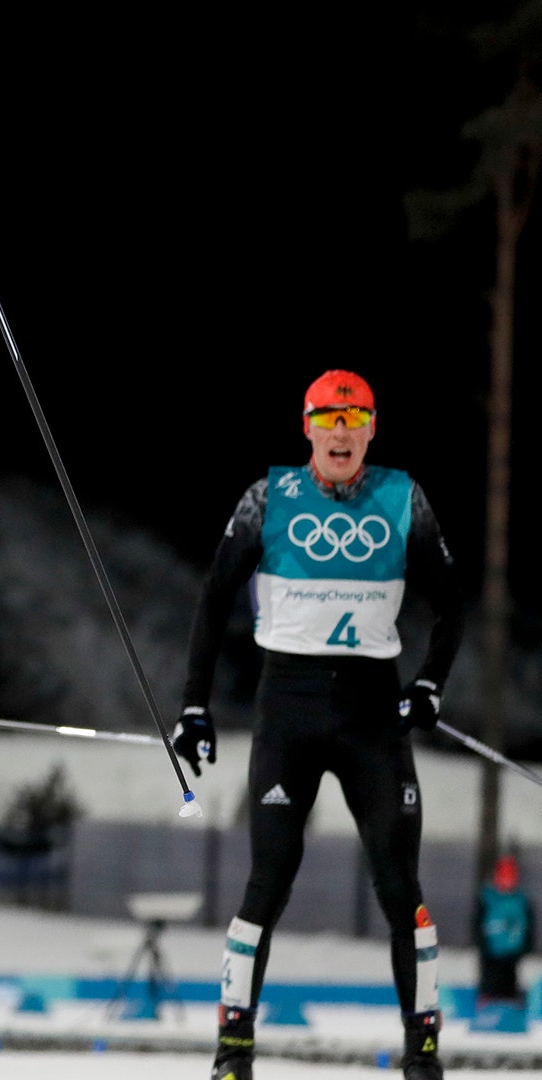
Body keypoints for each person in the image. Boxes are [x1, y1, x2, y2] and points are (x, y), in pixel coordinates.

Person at [174, 370, 463, 1080]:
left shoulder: (404, 498)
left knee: (401, 888)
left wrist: (427, 685)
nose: (340, 431)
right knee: (267, 882)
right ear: (307, 426)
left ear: (371, 428)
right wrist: (193, 707)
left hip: (372, 714)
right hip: (289, 710)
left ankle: (422, 1053)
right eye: (327, 419)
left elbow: (452, 605)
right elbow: (213, 601)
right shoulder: (268, 499)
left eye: (354, 417)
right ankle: (232, 1051)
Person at [475, 854, 534, 1006]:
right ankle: (487, 1000)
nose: (506, 880)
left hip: (513, 951)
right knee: (490, 979)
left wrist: (527, 945)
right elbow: (477, 923)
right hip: (491, 951)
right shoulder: (487, 898)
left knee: (511, 979)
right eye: (503, 876)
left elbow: (528, 924)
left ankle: (511, 1003)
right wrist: (481, 942)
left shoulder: (521, 900)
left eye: (510, 876)